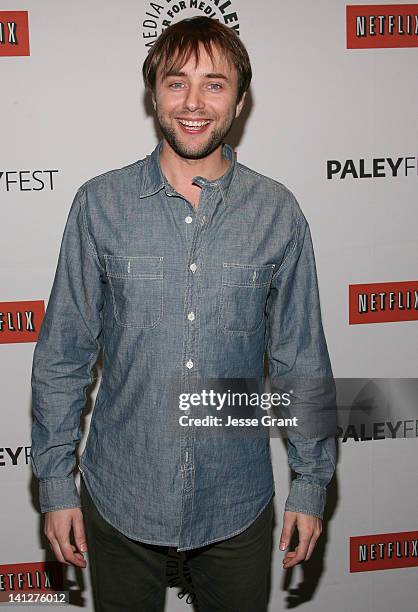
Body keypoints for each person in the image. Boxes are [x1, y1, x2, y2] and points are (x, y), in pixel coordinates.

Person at [30, 16, 337, 612]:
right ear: (154, 94)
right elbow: (63, 354)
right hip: (120, 497)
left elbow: (302, 362)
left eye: (214, 84)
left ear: (240, 100)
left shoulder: (278, 213)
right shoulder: (100, 204)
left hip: (235, 503)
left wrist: (310, 482)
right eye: (177, 82)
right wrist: (55, 481)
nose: (193, 103)